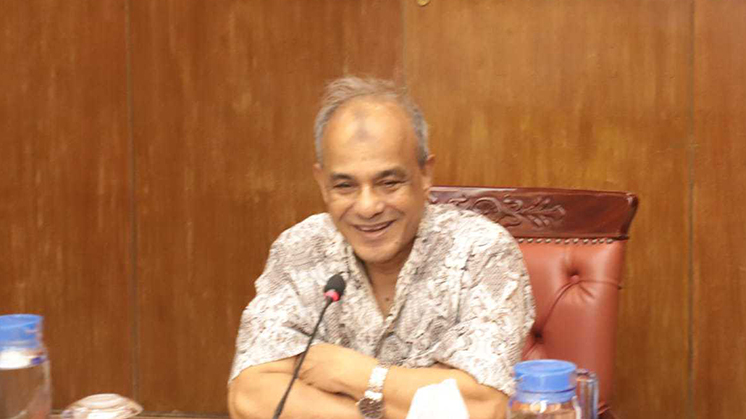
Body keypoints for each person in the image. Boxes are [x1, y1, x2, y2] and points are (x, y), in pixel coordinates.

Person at [227, 77, 535, 419]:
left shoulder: (482, 252)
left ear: (425, 174)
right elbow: (250, 395)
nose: (368, 207)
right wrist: (405, 404)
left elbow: (482, 406)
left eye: (388, 183)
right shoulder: (298, 250)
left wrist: (354, 373)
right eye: (345, 186)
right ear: (322, 184)